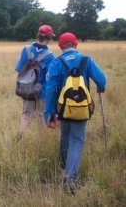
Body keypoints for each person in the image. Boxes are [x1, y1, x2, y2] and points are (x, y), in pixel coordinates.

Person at [44, 32, 106, 195]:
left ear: (60, 46)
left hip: (62, 108)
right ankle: (70, 179)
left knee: (65, 135)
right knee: (77, 141)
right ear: (76, 45)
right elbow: (102, 80)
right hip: (81, 109)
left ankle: (66, 170)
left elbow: (50, 89)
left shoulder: (56, 62)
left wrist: (49, 112)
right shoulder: (87, 60)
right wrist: (101, 87)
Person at [15, 25, 55, 140]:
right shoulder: (50, 56)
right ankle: (43, 140)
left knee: (26, 113)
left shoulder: (26, 49)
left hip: (27, 87)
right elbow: (50, 77)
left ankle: (20, 136)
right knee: (41, 114)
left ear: (38, 35)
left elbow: (18, 68)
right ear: (50, 38)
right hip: (42, 90)